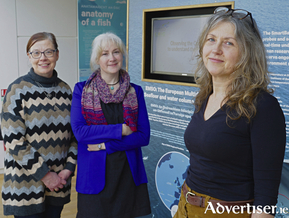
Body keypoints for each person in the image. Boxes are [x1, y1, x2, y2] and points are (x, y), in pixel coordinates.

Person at [174, 7, 286, 218]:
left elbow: (266, 195)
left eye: (228, 43)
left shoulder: (263, 106)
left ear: (247, 53)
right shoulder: (205, 97)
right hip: (186, 206)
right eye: (211, 39)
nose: (216, 49)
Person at [70, 32, 151, 218]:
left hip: (127, 176)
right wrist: (120, 129)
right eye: (105, 53)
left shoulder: (135, 91)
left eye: (116, 52)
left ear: (122, 55)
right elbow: (81, 133)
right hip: (94, 176)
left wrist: (104, 145)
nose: (112, 58)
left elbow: (143, 136)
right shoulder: (81, 90)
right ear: (97, 59)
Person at [0, 32, 78, 218]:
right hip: (25, 189)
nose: (43, 58)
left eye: (48, 52)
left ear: (57, 55)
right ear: (29, 56)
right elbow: (14, 142)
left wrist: (69, 168)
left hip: (59, 184)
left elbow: (75, 136)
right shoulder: (16, 91)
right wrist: (45, 175)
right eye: (36, 53)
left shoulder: (66, 91)